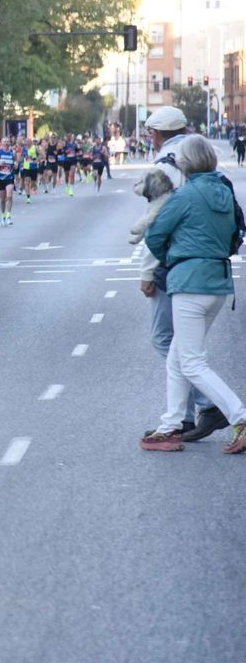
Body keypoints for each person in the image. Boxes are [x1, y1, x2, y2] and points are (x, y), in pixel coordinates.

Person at [138, 135, 246, 451]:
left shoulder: (184, 196)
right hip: (217, 281)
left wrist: (172, 257)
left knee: (192, 362)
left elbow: (155, 234)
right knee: (177, 358)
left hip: (189, 282)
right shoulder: (224, 191)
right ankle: (171, 425)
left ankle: (239, 417)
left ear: (185, 162)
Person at [133, 107, 224, 444]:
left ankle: (209, 406)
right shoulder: (195, 154)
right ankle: (181, 417)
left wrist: (146, 270)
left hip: (173, 262)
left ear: (156, 132)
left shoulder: (164, 165)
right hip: (206, 261)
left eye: (149, 131)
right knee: (180, 345)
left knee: (166, 339)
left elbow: (157, 222)